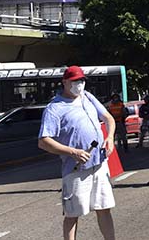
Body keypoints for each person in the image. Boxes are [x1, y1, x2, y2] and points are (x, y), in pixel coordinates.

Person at [37, 65, 116, 240]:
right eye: (74, 81)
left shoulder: (87, 97)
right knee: (73, 213)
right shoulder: (54, 108)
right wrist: (72, 152)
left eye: (81, 81)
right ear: (64, 82)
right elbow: (43, 141)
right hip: (76, 169)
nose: (78, 85)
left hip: (99, 163)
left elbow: (108, 118)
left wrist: (109, 137)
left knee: (104, 207)